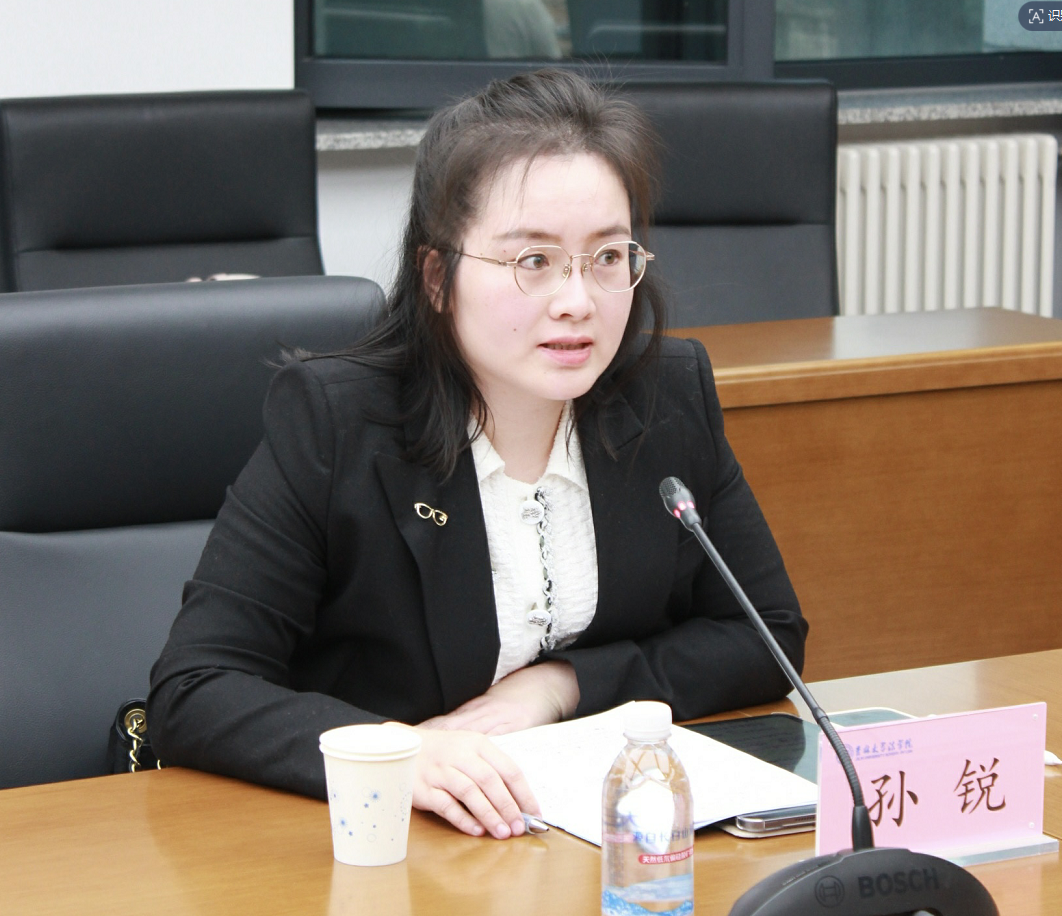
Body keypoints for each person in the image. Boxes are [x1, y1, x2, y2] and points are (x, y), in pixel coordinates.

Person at [147, 69, 807, 841]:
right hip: (379, 845)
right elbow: (193, 689)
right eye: (533, 261)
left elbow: (764, 635)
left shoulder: (664, 398)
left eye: (606, 256)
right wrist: (401, 754)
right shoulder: (337, 424)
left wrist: (557, 686)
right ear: (437, 277)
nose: (577, 301)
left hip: (567, 837)